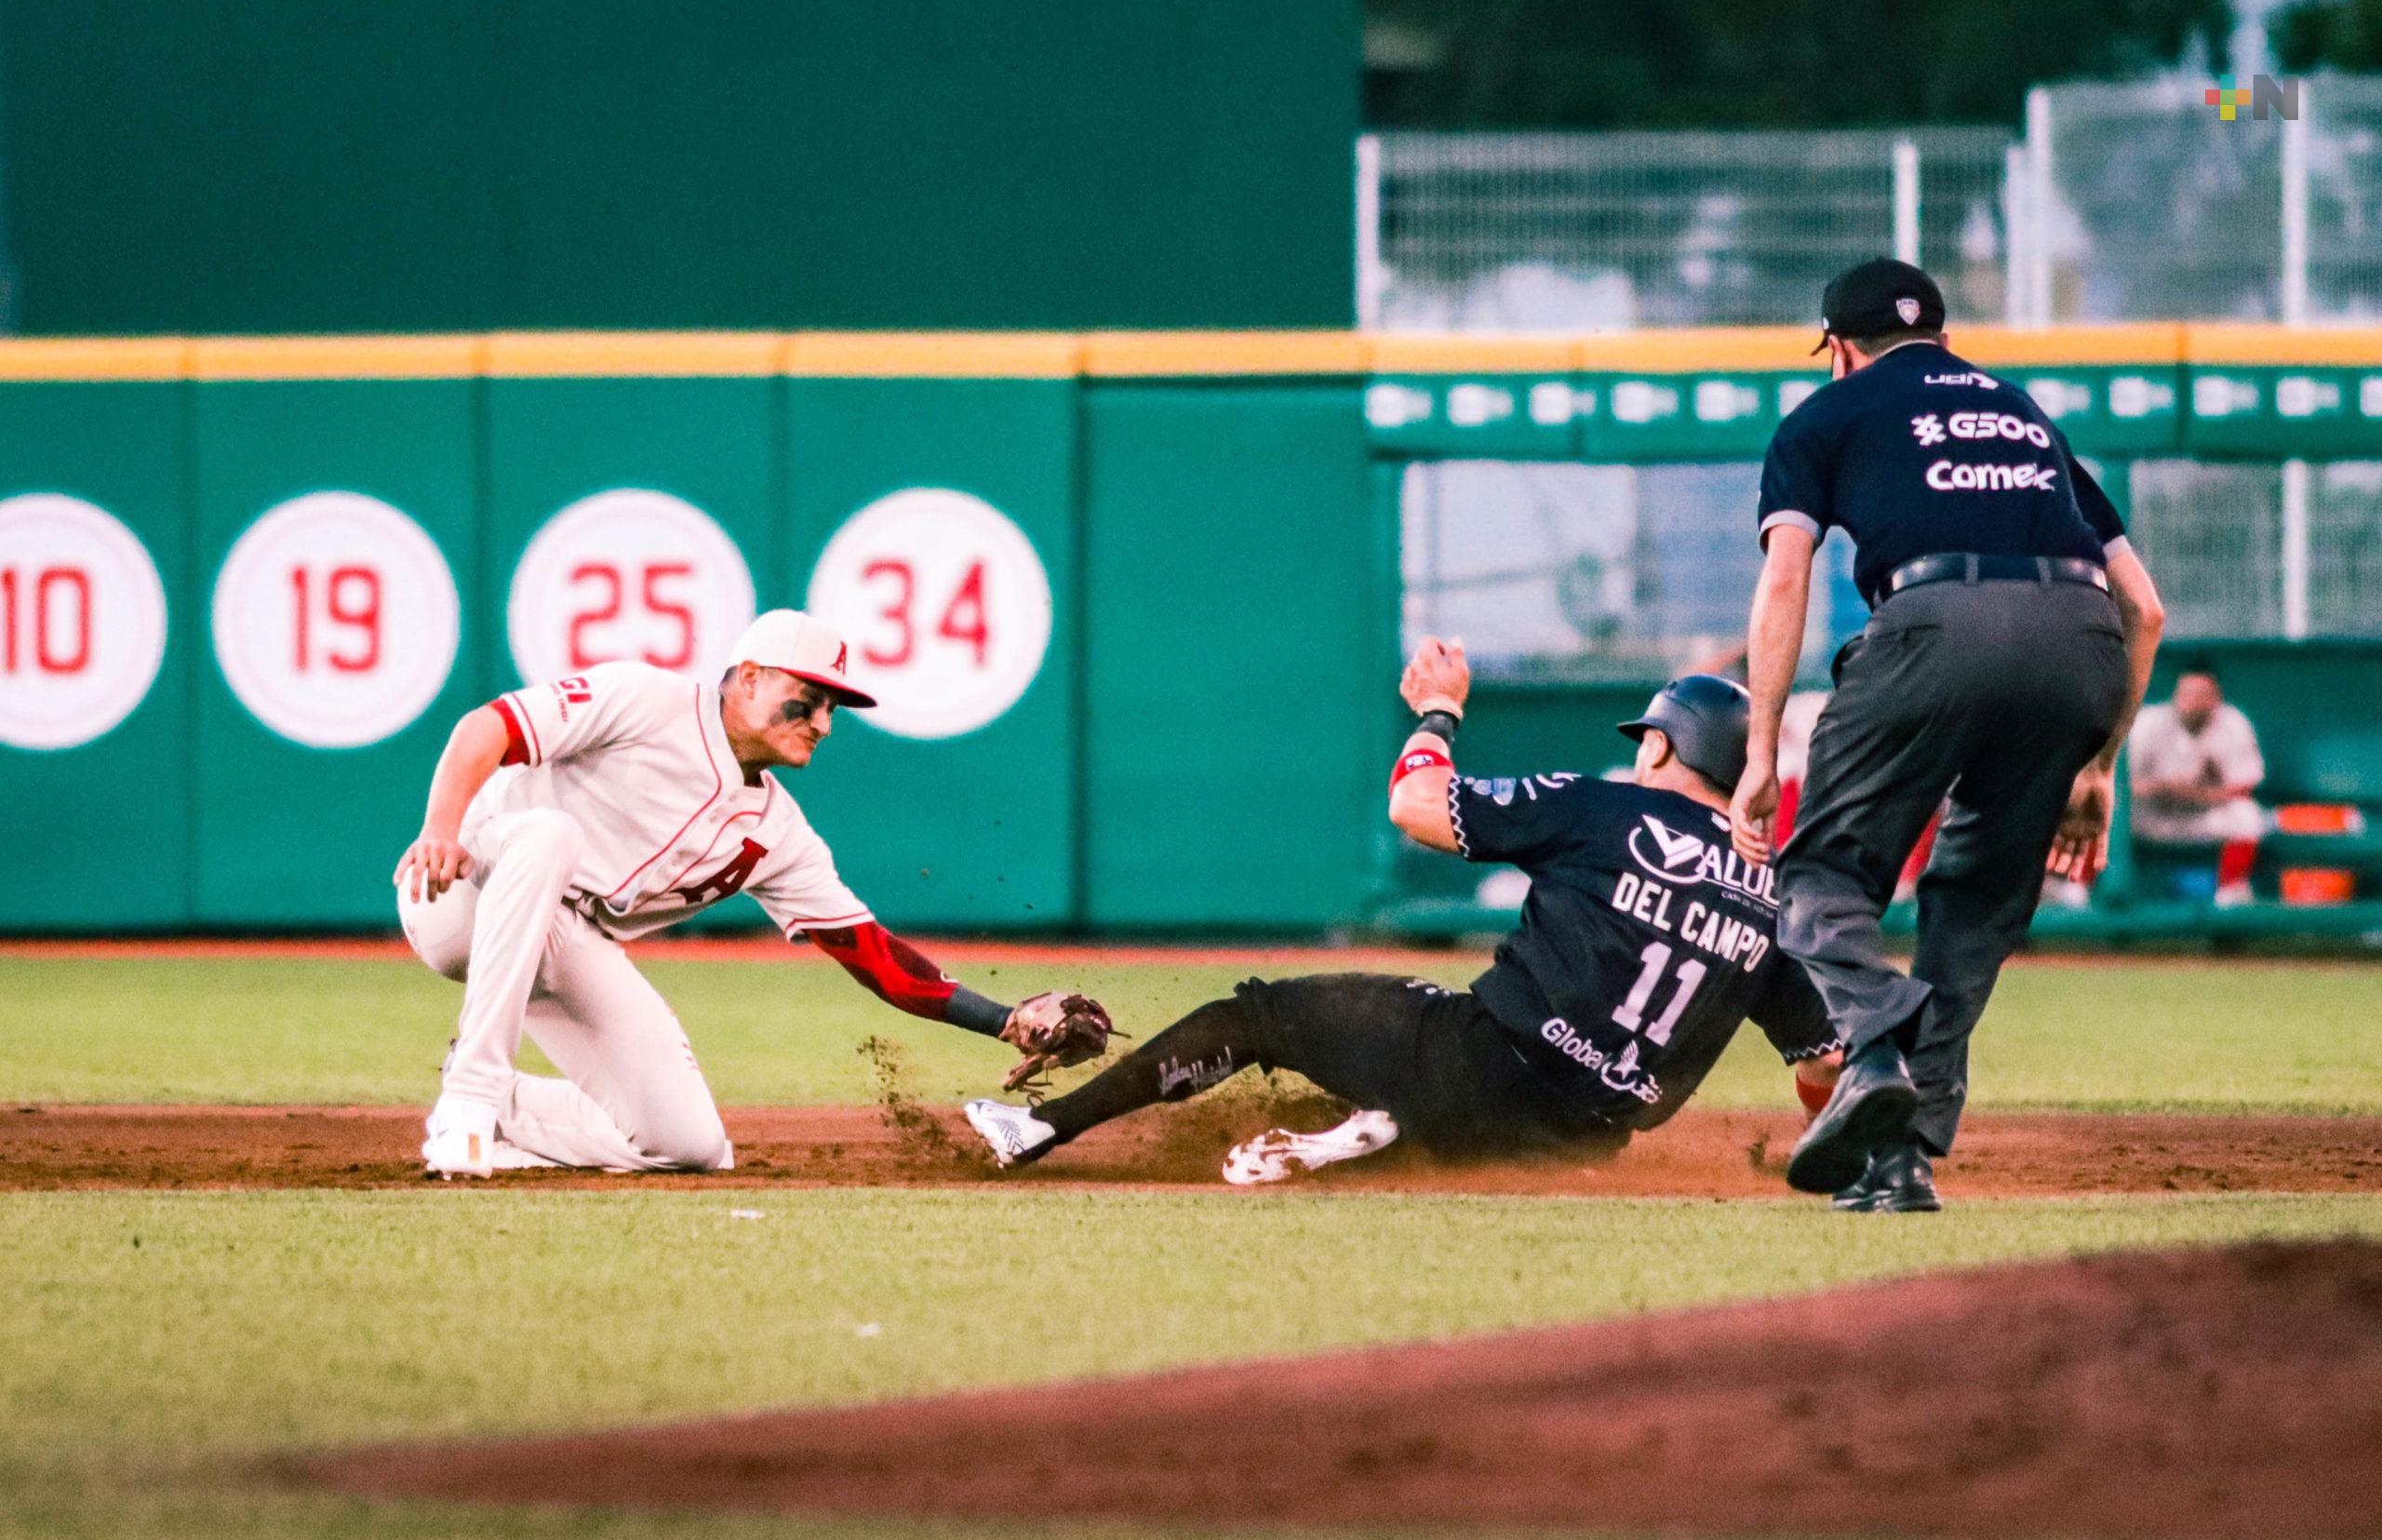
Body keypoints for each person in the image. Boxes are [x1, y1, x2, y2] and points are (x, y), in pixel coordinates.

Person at [960, 644, 1848, 1188]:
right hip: (1581, 1138)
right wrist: (1821, 1145)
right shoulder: (1766, 894)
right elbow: (1824, 1059)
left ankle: (1040, 1128)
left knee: (1258, 1014)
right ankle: (1377, 1135)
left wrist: (1438, 711)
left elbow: (1416, 805)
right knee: (1437, 1113)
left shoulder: (1604, 809)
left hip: (1478, 1060)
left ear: (1662, 742)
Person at [1730, 258, 2166, 1212]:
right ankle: (1900, 1157)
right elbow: (2145, 605)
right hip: (2081, 644)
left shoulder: (1822, 416)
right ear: (1940, 335)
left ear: (1839, 348)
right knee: (1972, 905)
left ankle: (1876, 1046)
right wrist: (2099, 764)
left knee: (1816, 880)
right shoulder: (2022, 416)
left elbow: (1784, 581)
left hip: (1934, 623)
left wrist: (1762, 749)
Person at [393, 609, 1105, 1178]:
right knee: (550, 835)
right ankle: (471, 1103)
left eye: (833, 709)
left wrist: (1006, 1018)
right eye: (810, 700)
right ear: (754, 677)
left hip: (561, 935)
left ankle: (509, 1107)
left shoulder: (780, 833)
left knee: (691, 1144)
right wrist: (439, 829)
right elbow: (489, 726)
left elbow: (876, 958)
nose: (824, 723)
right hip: (465, 886)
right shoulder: (650, 700)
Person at [2129, 663, 2267, 905]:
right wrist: (2164, 788)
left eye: (2202, 695)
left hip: (2204, 818)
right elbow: (2120, 787)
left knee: (2247, 816)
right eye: (2187, 694)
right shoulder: (2148, 723)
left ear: (2216, 698)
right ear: (2175, 695)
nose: (2193, 702)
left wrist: (2187, 792)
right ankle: (2078, 891)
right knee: (2105, 817)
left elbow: (2243, 790)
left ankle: (2231, 894)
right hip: (2154, 816)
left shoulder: (2232, 722)